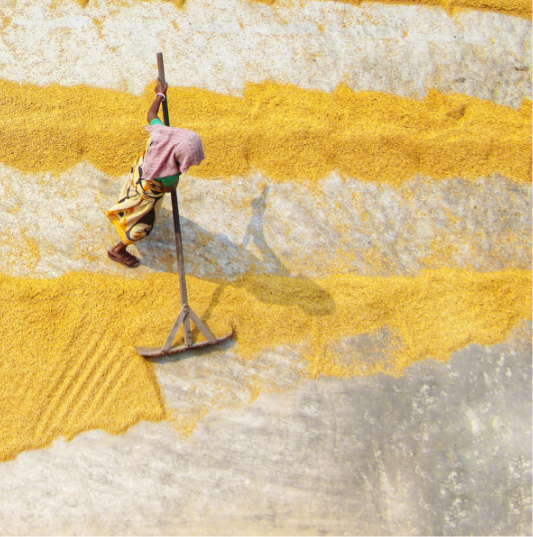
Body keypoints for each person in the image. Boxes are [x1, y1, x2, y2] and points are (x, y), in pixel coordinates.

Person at [106, 79, 205, 267]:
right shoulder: (168, 173)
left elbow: (151, 114)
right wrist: (176, 180)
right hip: (148, 194)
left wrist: (159, 95)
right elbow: (169, 188)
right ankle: (117, 250)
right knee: (141, 227)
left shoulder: (160, 133)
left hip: (140, 172)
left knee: (129, 196)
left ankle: (123, 210)